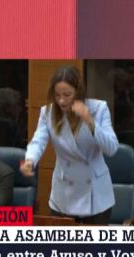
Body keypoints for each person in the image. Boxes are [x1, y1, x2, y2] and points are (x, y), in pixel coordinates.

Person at [20, 66, 120, 224]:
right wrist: (30, 160)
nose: (61, 100)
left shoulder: (98, 109)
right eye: (57, 95)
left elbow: (112, 148)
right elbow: (38, 141)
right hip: (64, 193)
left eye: (67, 95)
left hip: (95, 196)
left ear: (78, 92)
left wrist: (90, 121)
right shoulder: (48, 112)